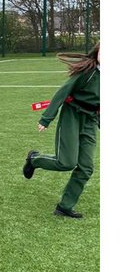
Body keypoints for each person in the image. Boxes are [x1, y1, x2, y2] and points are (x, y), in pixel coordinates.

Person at [23, 42, 100, 218]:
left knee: (86, 168)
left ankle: (65, 206)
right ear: (97, 52)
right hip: (72, 115)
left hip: (90, 120)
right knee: (66, 162)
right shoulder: (88, 72)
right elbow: (62, 92)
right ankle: (34, 159)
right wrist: (46, 118)